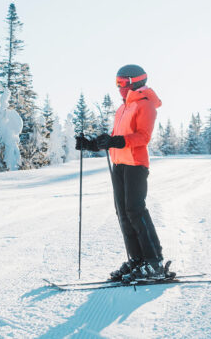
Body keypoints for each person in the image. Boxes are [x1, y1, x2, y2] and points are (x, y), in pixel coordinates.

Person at [74, 64, 170, 282]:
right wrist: (92, 145)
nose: (118, 88)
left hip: (136, 164)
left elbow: (143, 137)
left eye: (121, 83)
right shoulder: (123, 108)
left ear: (134, 81)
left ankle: (154, 262)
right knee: (123, 213)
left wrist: (117, 141)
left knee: (136, 210)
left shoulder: (145, 105)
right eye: (116, 83)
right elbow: (116, 138)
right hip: (120, 164)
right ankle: (137, 260)